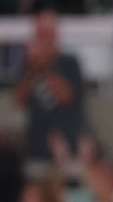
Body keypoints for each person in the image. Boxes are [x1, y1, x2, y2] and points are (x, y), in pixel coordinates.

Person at [14, 13, 93, 181]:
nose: (44, 41)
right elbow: (19, 99)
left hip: (67, 149)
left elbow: (67, 97)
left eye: (48, 35)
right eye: (40, 35)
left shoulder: (69, 62)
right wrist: (32, 70)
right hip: (37, 150)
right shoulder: (29, 65)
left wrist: (47, 66)